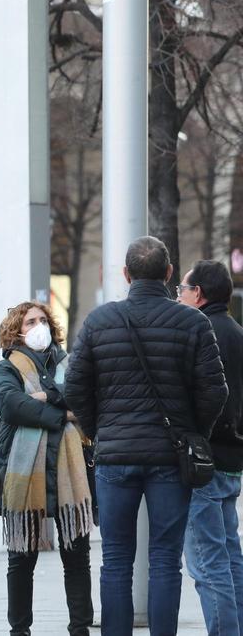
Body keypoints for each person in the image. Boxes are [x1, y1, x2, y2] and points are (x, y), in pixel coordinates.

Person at [65, 236, 227, 636]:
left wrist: (98, 429)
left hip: (115, 457)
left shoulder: (100, 322)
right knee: (165, 558)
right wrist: (193, 434)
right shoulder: (192, 322)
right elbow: (215, 391)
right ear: (169, 273)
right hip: (171, 458)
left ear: (126, 275)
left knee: (116, 558)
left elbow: (74, 387)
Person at [0, 301, 94, 636]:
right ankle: (19, 629)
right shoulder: (5, 369)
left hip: (68, 470)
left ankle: (80, 627)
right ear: (16, 329)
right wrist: (63, 413)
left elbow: (86, 397)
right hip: (26, 471)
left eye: (43, 320)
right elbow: (10, 404)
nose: (39, 326)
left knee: (77, 552)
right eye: (31, 321)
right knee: (22, 557)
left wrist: (45, 398)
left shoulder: (70, 363)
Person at [177, 260, 243, 635]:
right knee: (230, 555)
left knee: (206, 560)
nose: (180, 297)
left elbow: (197, 398)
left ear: (198, 294)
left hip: (203, 462)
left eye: (182, 290)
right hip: (232, 460)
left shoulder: (199, 332)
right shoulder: (237, 332)